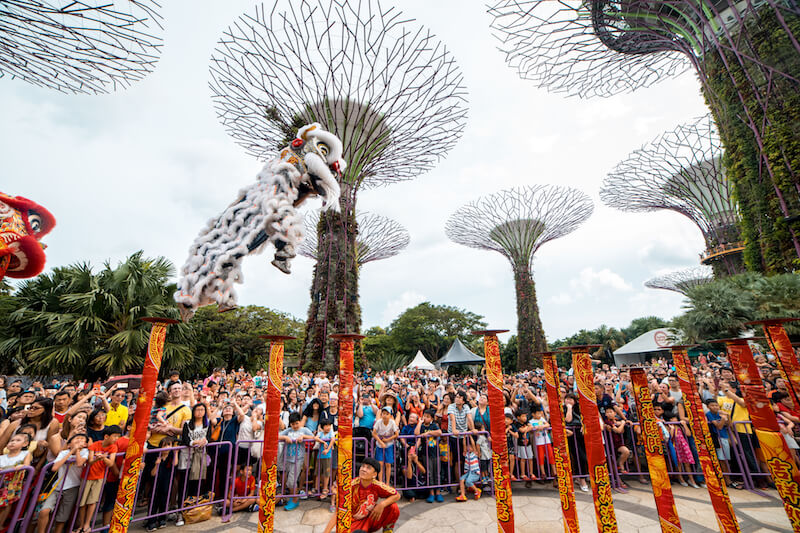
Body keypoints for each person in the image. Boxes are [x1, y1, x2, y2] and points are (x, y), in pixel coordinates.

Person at [322, 458, 400, 533]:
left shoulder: (377, 485)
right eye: (363, 466)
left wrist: (382, 504)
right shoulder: (350, 486)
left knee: (393, 507)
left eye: (368, 468)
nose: (363, 469)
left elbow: (397, 495)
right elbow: (339, 511)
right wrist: (326, 531)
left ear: (374, 474)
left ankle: (387, 530)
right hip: (354, 522)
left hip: (371, 518)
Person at [37, 433, 89, 533]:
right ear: (69, 444)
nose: (79, 440)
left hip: (73, 487)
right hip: (57, 486)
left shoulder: (85, 452)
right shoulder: (64, 452)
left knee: (62, 517)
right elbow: (54, 467)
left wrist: (77, 451)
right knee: (44, 511)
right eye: (76, 439)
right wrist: (70, 452)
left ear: (86, 444)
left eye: (82, 439)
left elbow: (79, 463)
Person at [78, 426, 121, 533]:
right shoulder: (94, 445)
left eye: (118, 436)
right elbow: (90, 461)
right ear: (106, 436)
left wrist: (103, 458)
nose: (116, 439)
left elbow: (111, 463)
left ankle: (87, 524)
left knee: (92, 502)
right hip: (87, 476)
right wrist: (97, 458)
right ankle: (81, 524)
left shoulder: (113, 447)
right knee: (82, 503)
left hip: (100, 477)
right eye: (115, 436)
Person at [279, 412, 316, 511]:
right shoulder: (288, 431)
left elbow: (314, 437)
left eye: (296, 423)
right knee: (289, 482)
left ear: (300, 422)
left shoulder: (304, 430)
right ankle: (293, 497)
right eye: (292, 424)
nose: (295, 426)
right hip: (288, 458)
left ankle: (295, 499)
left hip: (298, 459)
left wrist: (303, 437)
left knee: (291, 481)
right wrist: (285, 437)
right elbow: (277, 436)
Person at [146, 436, 178, 531]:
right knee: (153, 502)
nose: (167, 447)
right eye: (165, 445)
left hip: (166, 482)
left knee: (164, 500)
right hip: (156, 483)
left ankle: (162, 519)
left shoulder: (171, 455)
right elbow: (152, 473)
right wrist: (157, 464)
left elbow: (175, 464)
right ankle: (151, 521)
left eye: (169, 445)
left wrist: (176, 453)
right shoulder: (156, 456)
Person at [0, 433, 33, 526]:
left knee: (6, 504)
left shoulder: (25, 454)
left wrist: (21, 466)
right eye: (12, 440)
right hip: (1, 483)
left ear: (25, 444)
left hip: (11, 485)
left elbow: (27, 465)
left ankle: (1, 524)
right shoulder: (2, 457)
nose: (13, 442)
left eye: (18, 440)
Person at [415, 408, 443, 503]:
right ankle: (431, 493)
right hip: (425, 453)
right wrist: (419, 423)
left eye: (427, 417)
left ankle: (438, 492)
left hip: (435, 453)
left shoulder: (434, 426)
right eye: (424, 416)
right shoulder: (422, 426)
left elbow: (439, 432)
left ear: (431, 418)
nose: (425, 418)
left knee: (437, 473)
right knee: (429, 473)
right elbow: (416, 433)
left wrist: (429, 433)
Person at [372, 406, 399, 484]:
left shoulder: (392, 423)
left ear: (390, 415)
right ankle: (380, 481)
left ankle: (387, 482)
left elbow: (396, 434)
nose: (385, 415)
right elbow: (374, 433)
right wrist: (381, 442)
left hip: (389, 444)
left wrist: (387, 440)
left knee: (388, 464)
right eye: (383, 413)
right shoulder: (378, 422)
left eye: (387, 414)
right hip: (379, 443)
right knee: (380, 463)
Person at [317, 418, 336, 499]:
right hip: (320, 455)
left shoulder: (331, 433)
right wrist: (323, 442)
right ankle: (318, 488)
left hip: (327, 456)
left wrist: (328, 449)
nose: (328, 427)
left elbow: (332, 440)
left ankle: (325, 488)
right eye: (326, 426)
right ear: (322, 427)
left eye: (329, 425)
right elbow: (316, 438)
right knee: (318, 472)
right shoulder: (321, 433)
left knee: (326, 473)